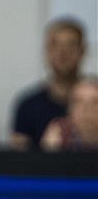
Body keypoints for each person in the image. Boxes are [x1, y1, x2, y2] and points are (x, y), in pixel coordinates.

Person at [10, 16, 88, 150]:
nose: (63, 52)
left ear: (82, 51)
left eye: (71, 45)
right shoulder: (28, 105)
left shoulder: (94, 98)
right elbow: (17, 158)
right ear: (46, 51)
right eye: (55, 45)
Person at [41, 75, 98, 152]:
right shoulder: (60, 133)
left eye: (95, 102)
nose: (86, 109)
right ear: (69, 109)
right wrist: (50, 150)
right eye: (78, 102)